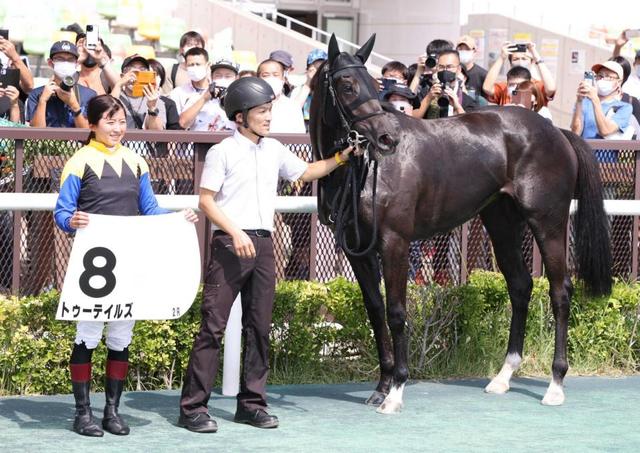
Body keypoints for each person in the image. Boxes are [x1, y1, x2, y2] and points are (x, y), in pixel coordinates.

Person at [177, 77, 357, 433]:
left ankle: (252, 404)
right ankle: (193, 408)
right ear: (240, 116)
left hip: (263, 246)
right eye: (262, 111)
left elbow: (306, 172)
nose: (268, 117)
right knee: (212, 329)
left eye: (269, 109)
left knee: (259, 328)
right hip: (230, 246)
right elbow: (206, 200)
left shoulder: (273, 149)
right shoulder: (222, 151)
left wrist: (341, 158)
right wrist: (235, 231)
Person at [53, 94, 198, 437]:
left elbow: (149, 209)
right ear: (92, 124)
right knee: (87, 335)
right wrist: (72, 220)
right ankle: (82, 413)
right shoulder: (79, 161)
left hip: (129, 261)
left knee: (121, 336)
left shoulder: (136, 161)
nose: (117, 128)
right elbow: (61, 212)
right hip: (94, 264)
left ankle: (112, 412)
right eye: (109, 121)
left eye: (121, 122)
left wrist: (177, 218)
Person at [26, 41, 96, 128]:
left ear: (76, 63)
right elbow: (35, 134)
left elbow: (87, 135)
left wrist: (74, 106)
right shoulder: (36, 94)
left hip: (75, 141)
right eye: (60, 59)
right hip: (47, 141)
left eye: (70, 60)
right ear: (50, 63)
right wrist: (43, 101)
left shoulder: (89, 95)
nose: (65, 63)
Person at [571, 60, 632, 140]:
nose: (602, 79)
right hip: (583, 151)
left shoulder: (624, 107)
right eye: (600, 76)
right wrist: (579, 101)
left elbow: (605, 130)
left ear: (619, 82)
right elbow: (575, 133)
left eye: (608, 77)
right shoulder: (585, 103)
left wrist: (595, 99)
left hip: (605, 152)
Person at [483, 42, 556, 106]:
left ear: (531, 62)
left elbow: (551, 89)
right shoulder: (506, 86)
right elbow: (487, 88)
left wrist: (537, 58)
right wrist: (501, 58)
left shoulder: (536, 86)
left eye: (524, 59)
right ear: (511, 63)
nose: (520, 62)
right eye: (516, 59)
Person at [413, 50, 478, 118]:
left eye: (449, 67)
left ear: (458, 69)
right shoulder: (426, 92)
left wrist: (457, 107)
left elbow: (471, 125)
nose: (445, 70)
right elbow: (413, 119)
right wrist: (428, 98)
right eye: (441, 67)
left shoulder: (467, 101)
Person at [111, 54, 166, 130]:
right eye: (131, 68)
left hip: (144, 141)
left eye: (142, 69)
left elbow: (157, 136)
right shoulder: (115, 96)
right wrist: (119, 84)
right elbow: (106, 114)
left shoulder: (156, 101)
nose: (136, 72)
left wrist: (152, 108)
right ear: (122, 76)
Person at [257, 59, 305, 133]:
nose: (271, 78)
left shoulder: (293, 106)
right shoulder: (251, 106)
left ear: (283, 79)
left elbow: (299, 137)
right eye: (266, 75)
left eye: (275, 75)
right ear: (258, 80)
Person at [291, 49, 327, 125]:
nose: (319, 72)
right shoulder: (299, 89)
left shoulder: (330, 89)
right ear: (307, 70)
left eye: (322, 68)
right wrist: (309, 82)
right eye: (316, 68)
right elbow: (294, 110)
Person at [148, 59, 182, 130]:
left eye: (155, 75)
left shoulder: (168, 103)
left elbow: (174, 131)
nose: (151, 79)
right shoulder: (131, 98)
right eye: (147, 75)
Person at [456, 35, 487, 102]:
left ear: (474, 51)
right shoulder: (452, 71)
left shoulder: (482, 74)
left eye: (467, 49)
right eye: (460, 49)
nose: (463, 52)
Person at [612, 31, 640, 98]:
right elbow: (616, 65)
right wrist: (618, 47)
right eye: (639, 61)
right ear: (634, 63)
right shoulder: (627, 78)